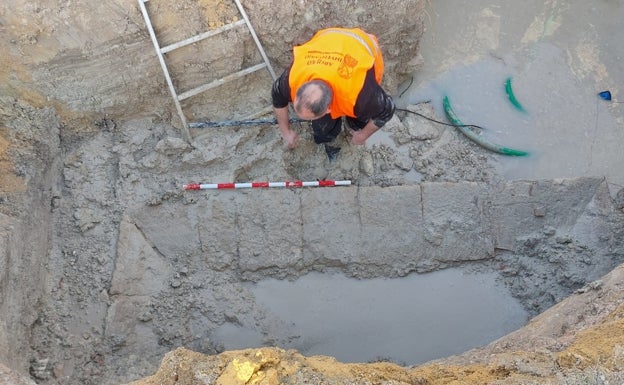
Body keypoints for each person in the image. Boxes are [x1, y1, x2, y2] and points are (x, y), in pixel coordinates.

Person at [271, 27, 395, 160]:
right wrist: (286, 132)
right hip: (330, 41)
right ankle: (330, 138)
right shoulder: (293, 79)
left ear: (328, 109)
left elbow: (387, 110)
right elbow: (277, 97)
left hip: (360, 48)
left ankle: (352, 128)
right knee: (322, 129)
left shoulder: (361, 94)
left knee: (359, 119)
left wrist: (362, 136)